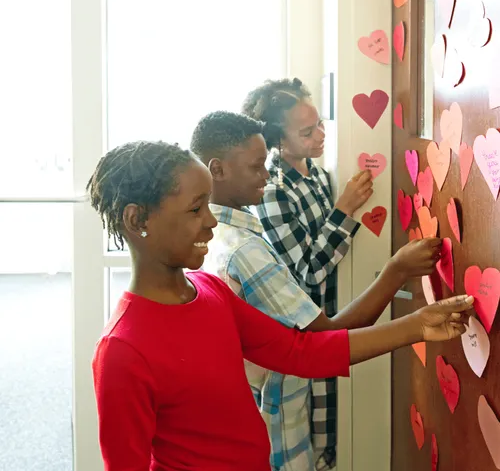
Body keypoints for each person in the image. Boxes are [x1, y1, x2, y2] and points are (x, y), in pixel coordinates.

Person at [88, 140, 472, 471]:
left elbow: (300, 352)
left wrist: (417, 326)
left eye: (207, 205)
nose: (209, 221)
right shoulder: (123, 350)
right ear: (137, 219)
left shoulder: (210, 291)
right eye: (194, 210)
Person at [191, 111, 442, 471]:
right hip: (276, 435)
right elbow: (326, 337)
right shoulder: (244, 251)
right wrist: (396, 272)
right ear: (218, 169)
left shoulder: (214, 238)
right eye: (256, 166)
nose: (266, 174)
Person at [241, 78, 373, 469]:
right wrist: (344, 209)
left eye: (319, 123)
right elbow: (309, 273)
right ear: (278, 141)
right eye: (307, 131)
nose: (321, 133)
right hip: (306, 328)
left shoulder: (316, 173)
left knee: (331, 431)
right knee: (311, 442)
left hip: (333, 318)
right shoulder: (273, 190)